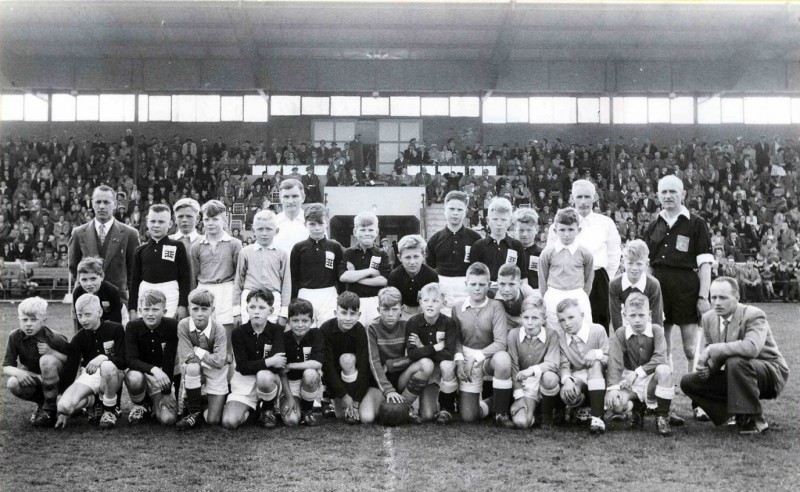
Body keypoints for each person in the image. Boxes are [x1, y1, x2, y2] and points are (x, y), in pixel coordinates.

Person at [680, 277, 789, 435]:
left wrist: (713, 349)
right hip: (738, 373)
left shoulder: (754, 315)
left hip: (770, 373)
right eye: (714, 297)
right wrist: (709, 369)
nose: (717, 302)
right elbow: (716, 355)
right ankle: (734, 413)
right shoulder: (708, 318)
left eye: (723, 298)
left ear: (737, 298)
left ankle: (754, 419)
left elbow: (752, 348)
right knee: (688, 381)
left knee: (736, 361)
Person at [643, 175, 713, 418]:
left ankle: (697, 400)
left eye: (673, 191)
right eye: (664, 192)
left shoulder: (696, 224)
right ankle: (665, 395)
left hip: (687, 288)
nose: (668, 196)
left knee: (691, 348)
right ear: (658, 195)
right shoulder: (653, 226)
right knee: (664, 347)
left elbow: (705, 265)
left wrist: (703, 296)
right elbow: (647, 266)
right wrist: (644, 294)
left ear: (683, 194)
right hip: (659, 290)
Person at [547, 180, 621, 331]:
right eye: (579, 197)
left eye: (587, 197)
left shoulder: (606, 223)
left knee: (598, 326)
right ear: (572, 199)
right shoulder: (558, 224)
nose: (583, 201)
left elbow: (614, 254)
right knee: (568, 325)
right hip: (568, 281)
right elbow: (550, 255)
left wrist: (605, 278)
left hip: (598, 280)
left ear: (594, 198)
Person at [452, 262, 513, 426]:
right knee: (469, 417)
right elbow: (456, 339)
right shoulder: (457, 307)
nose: (477, 288)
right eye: (473, 284)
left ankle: (501, 411)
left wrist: (476, 357)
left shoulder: (496, 306)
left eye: (481, 284)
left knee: (503, 359)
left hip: (488, 359)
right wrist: (459, 362)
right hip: (466, 359)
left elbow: (501, 342)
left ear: (489, 285)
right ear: (466, 284)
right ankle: (494, 401)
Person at [361, 287, 433, 425]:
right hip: (378, 381)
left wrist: (392, 365)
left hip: (400, 378)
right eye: (385, 310)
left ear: (402, 309)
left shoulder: (408, 325)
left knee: (426, 364)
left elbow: (414, 356)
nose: (390, 314)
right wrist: (388, 391)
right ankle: (388, 401)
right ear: (378, 310)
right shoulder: (371, 328)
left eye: (394, 309)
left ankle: (405, 406)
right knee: (367, 418)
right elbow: (374, 362)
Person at [605, 293, 674, 436]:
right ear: (625, 315)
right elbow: (615, 361)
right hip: (629, 381)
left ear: (649, 314)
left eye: (641, 315)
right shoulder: (621, 333)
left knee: (664, 370)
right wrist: (613, 387)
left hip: (650, 379)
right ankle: (638, 409)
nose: (637, 320)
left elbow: (660, 357)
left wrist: (638, 372)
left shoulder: (656, 330)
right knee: (617, 405)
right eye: (633, 315)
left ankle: (662, 417)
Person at [56, 293, 126, 429]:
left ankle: (110, 411)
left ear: (99, 312)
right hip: (90, 375)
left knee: (106, 366)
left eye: (88, 315)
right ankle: (93, 403)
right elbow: (71, 369)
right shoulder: (78, 337)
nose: (83, 320)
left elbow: (124, 361)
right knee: (64, 406)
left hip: (113, 373)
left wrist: (104, 357)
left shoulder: (116, 329)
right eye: (80, 315)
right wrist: (63, 408)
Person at [222, 290, 288, 430]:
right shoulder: (238, 333)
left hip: (268, 380)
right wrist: (269, 361)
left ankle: (267, 409)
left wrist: (266, 365)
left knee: (263, 375)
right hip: (244, 382)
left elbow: (279, 366)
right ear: (246, 309)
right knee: (229, 422)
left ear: (270, 310)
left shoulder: (277, 330)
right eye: (252, 307)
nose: (256, 312)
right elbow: (242, 367)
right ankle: (253, 410)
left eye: (262, 308)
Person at [191, 200, 242, 375]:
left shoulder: (234, 243)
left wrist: (236, 306)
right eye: (207, 220)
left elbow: (238, 276)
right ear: (202, 221)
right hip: (204, 291)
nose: (211, 223)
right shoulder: (196, 246)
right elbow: (194, 274)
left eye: (215, 219)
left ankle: (228, 388)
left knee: (226, 343)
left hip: (226, 291)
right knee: (203, 339)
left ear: (224, 220)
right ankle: (202, 386)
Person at [3, 297, 70, 427]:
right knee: (13, 383)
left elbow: (73, 362)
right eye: (24, 319)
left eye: (33, 319)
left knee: (46, 360)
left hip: (60, 381)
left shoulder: (55, 338)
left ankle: (52, 408)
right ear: (19, 320)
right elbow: (6, 366)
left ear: (44, 321)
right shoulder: (14, 337)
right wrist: (18, 372)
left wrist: (52, 352)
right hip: (38, 379)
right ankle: (44, 404)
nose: (28, 324)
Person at [68, 184, 140, 306]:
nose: (102, 206)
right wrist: (88, 283)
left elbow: (134, 272)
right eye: (98, 202)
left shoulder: (130, 234)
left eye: (106, 202)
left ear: (115, 204)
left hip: (118, 302)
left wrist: (132, 305)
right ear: (92, 203)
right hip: (85, 302)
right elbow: (73, 267)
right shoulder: (78, 233)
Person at [404, 283, 460, 424]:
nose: (430, 305)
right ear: (420, 302)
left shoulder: (449, 323)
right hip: (422, 371)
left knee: (448, 364)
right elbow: (411, 354)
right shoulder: (413, 322)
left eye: (435, 301)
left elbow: (448, 354)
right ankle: (406, 403)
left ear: (443, 303)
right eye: (426, 300)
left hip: (438, 371)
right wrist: (434, 347)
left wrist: (422, 347)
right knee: (427, 415)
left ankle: (446, 408)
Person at [123, 290, 180, 426]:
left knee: (168, 420)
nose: (150, 313)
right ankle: (140, 405)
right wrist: (154, 369)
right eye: (146, 309)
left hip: (165, 375)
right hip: (144, 373)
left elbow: (169, 359)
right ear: (139, 310)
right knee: (133, 377)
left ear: (164, 311)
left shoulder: (172, 326)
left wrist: (166, 392)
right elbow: (130, 360)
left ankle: (153, 403)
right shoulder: (132, 326)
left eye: (155, 309)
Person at [175, 288, 229, 429]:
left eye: (204, 309)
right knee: (192, 368)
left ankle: (206, 400)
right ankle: (194, 412)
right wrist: (201, 371)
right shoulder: (183, 325)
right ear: (188, 309)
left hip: (216, 372)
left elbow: (219, 361)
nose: (199, 314)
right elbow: (186, 356)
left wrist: (198, 350)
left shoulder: (219, 329)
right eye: (195, 309)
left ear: (212, 309)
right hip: (198, 369)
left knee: (213, 420)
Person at [129, 204, 191, 321]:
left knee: (170, 328)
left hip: (171, 295)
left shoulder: (177, 246)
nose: (156, 225)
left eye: (161, 222)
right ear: (147, 222)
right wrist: (132, 308)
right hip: (146, 294)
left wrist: (182, 305)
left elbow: (184, 278)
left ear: (170, 224)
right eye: (153, 221)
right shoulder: (140, 250)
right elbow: (134, 281)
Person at [555, 298, 609, 434]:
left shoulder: (597, 330)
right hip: (578, 377)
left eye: (571, 317)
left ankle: (598, 418)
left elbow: (610, 358)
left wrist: (596, 353)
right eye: (562, 320)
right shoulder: (560, 337)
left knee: (594, 365)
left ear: (582, 315)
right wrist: (567, 381)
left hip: (600, 377)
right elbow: (564, 364)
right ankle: (580, 407)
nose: (566, 323)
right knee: (567, 394)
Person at [507, 296, 560, 429]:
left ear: (544, 319)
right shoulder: (513, 334)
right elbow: (513, 366)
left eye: (535, 318)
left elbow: (552, 363)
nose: (529, 322)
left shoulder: (551, 335)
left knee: (550, 377)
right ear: (521, 317)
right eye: (526, 318)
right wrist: (519, 396)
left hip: (538, 382)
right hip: (519, 385)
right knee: (522, 422)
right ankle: (495, 404)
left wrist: (532, 370)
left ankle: (546, 412)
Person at [539, 207, 594, 332]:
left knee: (582, 332)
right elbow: (542, 281)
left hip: (577, 296)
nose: (566, 234)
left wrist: (581, 295)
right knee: (554, 333)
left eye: (571, 229)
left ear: (578, 230)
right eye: (562, 230)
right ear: (555, 230)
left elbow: (589, 280)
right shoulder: (547, 253)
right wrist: (547, 298)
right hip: (553, 296)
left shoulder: (585, 253)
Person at [426, 191, 483, 313]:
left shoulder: (476, 238)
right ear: (444, 210)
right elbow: (429, 268)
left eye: (459, 209)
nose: (455, 213)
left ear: (466, 212)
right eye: (451, 209)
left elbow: (480, 268)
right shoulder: (435, 239)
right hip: (442, 287)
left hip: (467, 288)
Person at [320, 292, 371, 424]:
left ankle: (352, 404)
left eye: (353, 314)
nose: (348, 318)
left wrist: (356, 400)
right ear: (335, 312)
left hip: (352, 374)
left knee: (347, 359)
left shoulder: (360, 330)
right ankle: (327, 398)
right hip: (333, 376)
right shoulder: (325, 329)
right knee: (339, 416)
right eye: (343, 313)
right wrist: (343, 395)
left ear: (359, 315)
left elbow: (364, 365)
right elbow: (328, 367)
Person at [233, 210, 291, 326]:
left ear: (276, 231)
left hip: (273, 298)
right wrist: (236, 311)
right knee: (249, 336)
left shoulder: (282, 253)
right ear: (253, 231)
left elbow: (286, 283)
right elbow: (238, 282)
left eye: (269, 229)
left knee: (271, 337)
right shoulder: (245, 252)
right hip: (250, 298)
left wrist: (284, 312)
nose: (264, 233)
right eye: (260, 229)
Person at [290, 203, 343, 327]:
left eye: (320, 224)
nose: (317, 228)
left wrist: (340, 295)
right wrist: (293, 299)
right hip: (305, 294)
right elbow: (294, 277)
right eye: (312, 224)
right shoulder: (299, 248)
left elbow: (339, 275)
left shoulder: (335, 246)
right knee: (306, 332)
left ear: (327, 223)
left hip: (328, 294)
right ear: (305, 224)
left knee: (327, 330)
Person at [339, 212, 391, 327]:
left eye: (370, 230)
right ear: (355, 232)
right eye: (362, 230)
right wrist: (371, 271)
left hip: (375, 300)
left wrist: (355, 277)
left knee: (374, 334)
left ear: (376, 232)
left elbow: (384, 280)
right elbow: (343, 276)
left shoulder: (382, 253)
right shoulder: (349, 253)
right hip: (353, 301)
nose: (367, 233)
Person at [279, 298, 325, 427]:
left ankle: (307, 410)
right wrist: (289, 397)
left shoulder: (316, 334)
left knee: (310, 373)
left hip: (308, 381)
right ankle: (287, 405)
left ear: (312, 321)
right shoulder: (283, 338)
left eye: (305, 321)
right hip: (289, 384)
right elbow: (281, 372)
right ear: (288, 321)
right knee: (292, 421)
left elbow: (317, 363)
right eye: (295, 320)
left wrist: (291, 365)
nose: (300, 325)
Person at [608, 239, 664, 333]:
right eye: (630, 263)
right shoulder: (615, 284)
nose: (634, 268)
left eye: (639, 264)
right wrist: (621, 339)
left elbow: (657, 318)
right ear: (623, 262)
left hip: (648, 325)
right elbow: (616, 317)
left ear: (646, 264)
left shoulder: (653, 284)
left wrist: (656, 341)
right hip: (626, 326)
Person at [470, 197, 527, 283]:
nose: (499, 223)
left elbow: (523, 278)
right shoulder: (478, 246)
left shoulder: (517, 246)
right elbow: (473, 277)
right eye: (495, 219)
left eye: (503, 220)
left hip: (509, 292)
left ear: (510, 222)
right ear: (488, 220)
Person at [387, 234, 439, 319]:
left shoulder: (431, 275)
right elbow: (392, 302)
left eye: (416, 256)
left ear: (423, 256)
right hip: (402, 312)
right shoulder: (394, 276)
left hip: (425, 312)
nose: (412, 262)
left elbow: (434, 301)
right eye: (407, 257)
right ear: (399, 258)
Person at [71, 256, 124, 329]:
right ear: (79, 279)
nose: (89, 284)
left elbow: (116, 321)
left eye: (93, 279)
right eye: (84, 280)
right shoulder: (77, 293)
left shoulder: (112, 291)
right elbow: (79, 323)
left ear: (102, 276)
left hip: (110, 319)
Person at [169, 198, 203, 287]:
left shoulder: (204, 242)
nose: (184, 220)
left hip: (197, 295)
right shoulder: (167, 242)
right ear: (175, 219)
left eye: (189, 216)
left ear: (198, 218)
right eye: (180, 216)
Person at [273, 179, 309, 256]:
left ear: (303, 198)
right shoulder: (273, 223)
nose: (290, 201)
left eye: (295, 196)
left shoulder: (314, 224)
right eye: (286, 197)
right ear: (280, 199)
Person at [513, 208, 543, 293]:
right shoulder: (511, 253)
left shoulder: (542, 254)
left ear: (536, 230)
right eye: (521, 230)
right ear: (515, 229)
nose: (525, 234)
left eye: (529, 230)